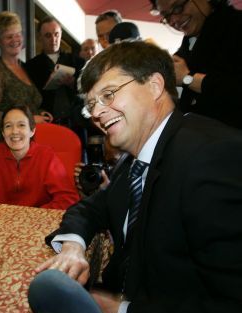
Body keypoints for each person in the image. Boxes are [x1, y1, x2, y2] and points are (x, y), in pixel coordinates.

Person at [28, 41, 242, 313]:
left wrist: (122, 309)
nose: (95, 113)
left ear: (154, 86)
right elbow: (91, 207)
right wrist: (72, 246)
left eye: (108, 94)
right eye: (91, 104)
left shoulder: (211, 156)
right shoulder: (135, 160)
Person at [0, 105, 80, 210]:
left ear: (32, 131)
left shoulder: (46, 156)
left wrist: (34, 215)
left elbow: (67, 198)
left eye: (21, 125)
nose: (14, 131)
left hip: (38, 223)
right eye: (8, 126)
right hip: (1, 221)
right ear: (3, 133)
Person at [152, 0, 242, 129]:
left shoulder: (236, 26)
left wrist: (187, 78)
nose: (173, 20)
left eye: (178, 7)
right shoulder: (191, 39)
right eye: (166, 15)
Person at [0, 11, 48, 147]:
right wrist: (30, 120)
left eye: (18, 34)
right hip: (6, 147)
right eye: (9, 37)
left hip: (30, 145)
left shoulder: (25, 67)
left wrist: (40, 113)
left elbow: (28, 104)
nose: (15, 40)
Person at [25, 16, 86, 129]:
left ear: (61, 34)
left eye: (56, 34)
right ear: (39, 38)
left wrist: (74, 83)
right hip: (46, 122)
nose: (53, 39)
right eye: (48, 35)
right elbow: (28, 99)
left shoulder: (78, 62)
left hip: (76, 123)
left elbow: (88, 90)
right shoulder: (30, 66)